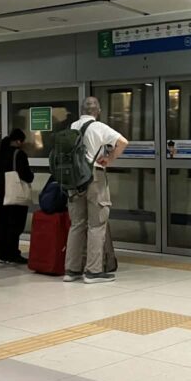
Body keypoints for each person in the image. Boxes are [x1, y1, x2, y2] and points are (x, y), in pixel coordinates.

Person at [64, 97, 128, 284]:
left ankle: (71, 270)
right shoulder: (99, 127)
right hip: (94, 177)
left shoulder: (72, 127)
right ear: (97, 111)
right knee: (97, 224)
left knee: (77, 224)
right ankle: (93, 271)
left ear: (81, 111)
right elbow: (123, 142)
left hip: (74, 180)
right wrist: (110, 159)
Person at [0, 129, 34, 264]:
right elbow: (27, 175)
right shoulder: (19, 154)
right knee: (15, 223)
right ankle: (13, 254)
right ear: (19, 141)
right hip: (15, 193)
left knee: (2, 222)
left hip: (0, 193)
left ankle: (3, 254)